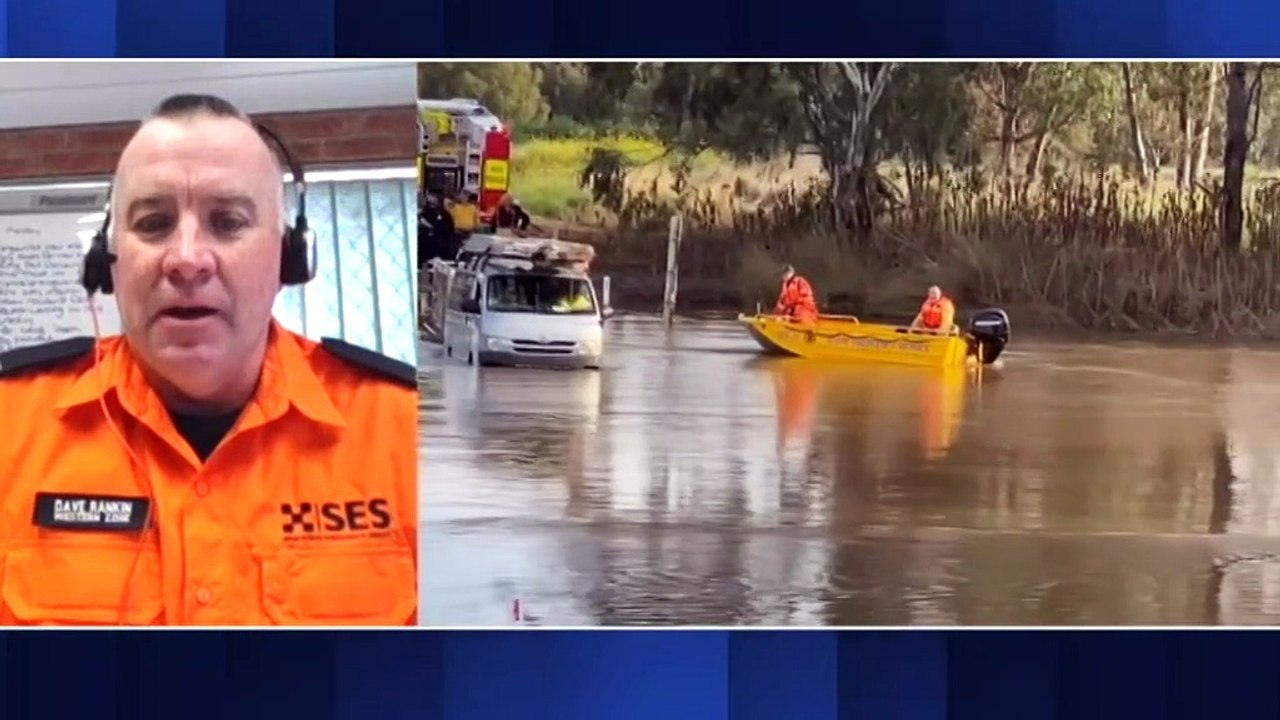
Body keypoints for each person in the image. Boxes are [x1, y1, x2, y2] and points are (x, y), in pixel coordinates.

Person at [0, 94, 418, 626]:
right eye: (153, 224)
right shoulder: (9, 423)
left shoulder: (402, 432)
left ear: (288, 257)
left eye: (227, 222)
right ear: (110, 260)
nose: (187, 259)